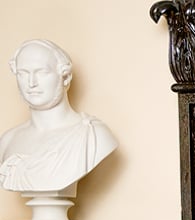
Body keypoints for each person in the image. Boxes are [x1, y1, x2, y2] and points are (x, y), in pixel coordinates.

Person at [0, 39, 116, 193]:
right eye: (23, 73)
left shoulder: (94, 135)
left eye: (42, 72)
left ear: (65, 77)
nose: (31, 82)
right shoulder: (7, 141)